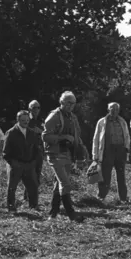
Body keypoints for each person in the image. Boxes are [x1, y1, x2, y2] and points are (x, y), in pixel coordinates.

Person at [44, 91, 86, 221]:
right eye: (68, 103)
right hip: (55, 154)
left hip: (68, 154)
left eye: (73, 103)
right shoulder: (54, 116)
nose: (70, 105)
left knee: (59, 185)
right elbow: (45, 136)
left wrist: (83, 153)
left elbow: (77, 137)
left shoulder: (72, 117)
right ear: (61, 102)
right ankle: (71, 214)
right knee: (65, 184)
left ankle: (53, 213)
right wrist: (64, 137)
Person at [3, 109, 41, 212]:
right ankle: (11, 208)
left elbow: (36, 150)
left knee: (33, 187)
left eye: (27, 120)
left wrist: (33, 162)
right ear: (18, 120)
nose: (26, 122)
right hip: (15, 165)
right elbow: (5, 153)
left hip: (29, 165)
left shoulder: (32, 133)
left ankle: (34, 207)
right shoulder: (11, 133)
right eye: (23, 120)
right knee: (12, 187)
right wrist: (14, 164)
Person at [93, 102, 130, 203]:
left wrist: (127, 148)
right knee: (105, 176)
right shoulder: (101, 122)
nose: (114, 111)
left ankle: (123, 198)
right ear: (108, 109)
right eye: (112, 109)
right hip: (107, 151)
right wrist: (95, 155)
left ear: (119, 110)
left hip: (120, 151)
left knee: (121, 176)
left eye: (116, 109)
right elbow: (96, 138)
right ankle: (101, 198)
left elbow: (127, 136)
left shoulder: (122, 121)